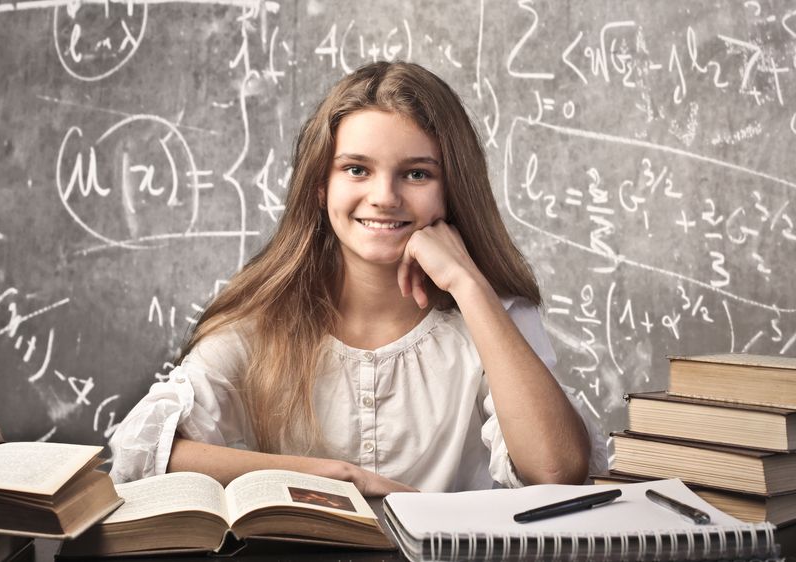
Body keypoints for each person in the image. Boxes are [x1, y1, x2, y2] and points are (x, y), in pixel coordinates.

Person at [109, 61, 607, 493]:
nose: (385, 197)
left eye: (416, 174)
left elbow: (557, 469)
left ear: (451, 190)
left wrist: (469, 285)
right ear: (320, 187)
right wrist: (332, 476)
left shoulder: (492, 319)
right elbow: (143, 452)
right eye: (356, 170)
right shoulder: (264, 322)